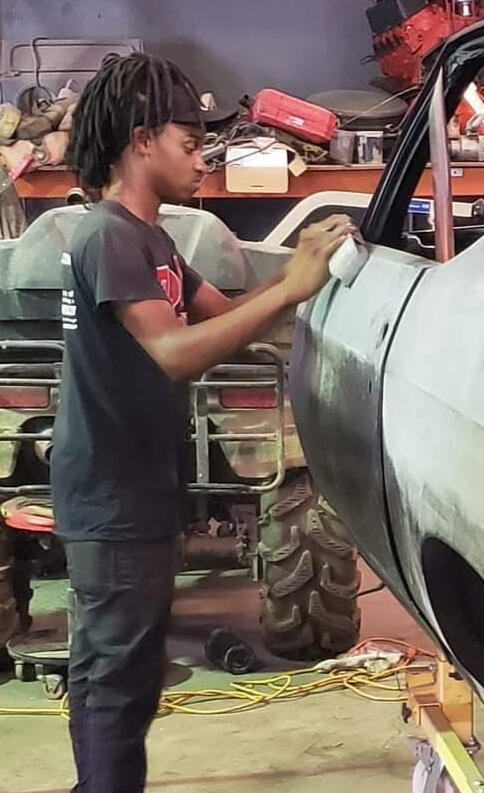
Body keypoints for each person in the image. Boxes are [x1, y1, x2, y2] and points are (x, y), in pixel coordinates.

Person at [50, 52, 353, 793]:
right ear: (141, 141)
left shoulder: (152, 239)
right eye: (189, 145)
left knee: (123, 672)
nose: (201, 163)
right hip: (110, 494)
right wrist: (290, 290)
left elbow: (227, 319)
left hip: (138, 487)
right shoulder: (109, 236)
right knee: (118, 679)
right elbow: (175, 353)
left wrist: (304, 278)